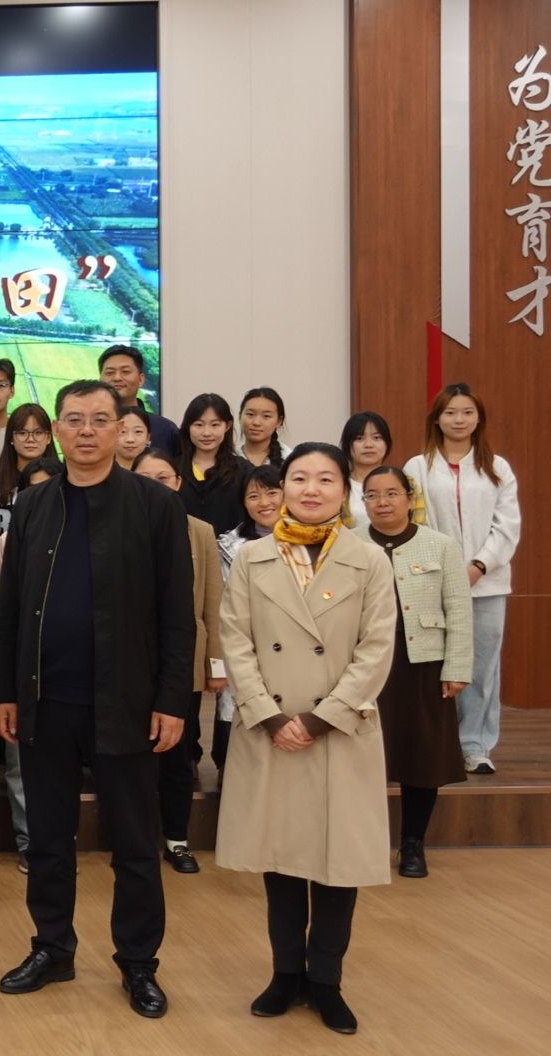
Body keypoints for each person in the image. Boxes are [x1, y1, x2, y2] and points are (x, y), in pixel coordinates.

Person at [0, 380, 193, 1020]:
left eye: (99, 420)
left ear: (121, 429)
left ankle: (138, 963)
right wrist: (5, 691)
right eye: (73, 420)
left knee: (134, 843)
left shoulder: (155, 505)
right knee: (49, 840)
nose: (86, 431)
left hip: (127, 703)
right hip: (46, 702)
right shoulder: (33, 505)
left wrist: (172, 700)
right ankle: (52, 948)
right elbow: (10, 609)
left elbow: (177, 613)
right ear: (56, 430)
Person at [217, 442, 396, 1036]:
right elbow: (235, 640)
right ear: (283, 488)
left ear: (345, 490)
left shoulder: (368, 559)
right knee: (282, 859)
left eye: (325, 479)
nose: (311, 489)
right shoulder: (253, 557)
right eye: (299, 478)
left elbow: (377, 649)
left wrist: (320, 719)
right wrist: (269, 716)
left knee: (339, 864)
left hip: (340, 731)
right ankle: (285, 974)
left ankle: (327, 982)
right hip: (272, 729)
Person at [360, 466, 472, 878]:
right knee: (363, 756)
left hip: (422, 664)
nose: (383, 502)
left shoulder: (441, 546)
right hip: (366, 665)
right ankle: (366, 843)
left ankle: (412, 844)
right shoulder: (349, 544)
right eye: (373, 495)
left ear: (409, 498)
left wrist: (456, 667)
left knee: (422, 757)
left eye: (392, 493)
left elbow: (458, 610)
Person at [403, 382, 519, 775]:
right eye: (450, 412)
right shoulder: (417, 467)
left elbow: (507, 527)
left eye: (467, 412)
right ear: (437, 418)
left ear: (479, 418)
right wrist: (446, 570)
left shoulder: (497, 467)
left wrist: (479, 566)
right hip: (433, 582)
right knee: (435, 664)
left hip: (487, 584)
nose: (459, 419)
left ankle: (475, 745)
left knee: (482, 666)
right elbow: (415, 523)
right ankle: (439, 743)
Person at [129, 449, 226, 874]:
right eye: (144, 477)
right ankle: (134, 840)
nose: (154, 485)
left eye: (163, 478)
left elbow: (213, 603)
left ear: (178, 483)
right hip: (129, 663)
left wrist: (215, 665)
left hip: (182, 662)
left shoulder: (199, 531)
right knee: (132, 759)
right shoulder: (116, 524)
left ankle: (177, 839)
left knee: (178, 757)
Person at [0, 454, 66, 873]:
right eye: (31, 491)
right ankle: (29, 841)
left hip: (71, 666)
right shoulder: (8, 541)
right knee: (21, 762)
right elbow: (1, 606)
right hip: (23, 662)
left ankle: (63, 840)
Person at [213, 465, 285, 772]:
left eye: (272, 493)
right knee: (238, 747)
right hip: (245, 651)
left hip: (294, 655)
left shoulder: (312, 541)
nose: (264, 502)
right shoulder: (228, 547)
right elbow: (221, 608)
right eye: (253, 496)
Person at [176, 393, 250, 535]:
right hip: (182, 546)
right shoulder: (173, 469)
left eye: (215, 425)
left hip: (229, 548)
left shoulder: (243, 471)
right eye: (198, 425)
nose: (206, 433)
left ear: (227, 426)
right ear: (188, 426)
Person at [341, 410, 423, 527]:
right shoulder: (340, 485)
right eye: (359, 438)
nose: (368, 445)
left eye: (376, 437)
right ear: (347, 444)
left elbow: (420, 525)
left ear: (387, 443)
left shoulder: (408, 483)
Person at [98, 344, 178, 454]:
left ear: (141, 380)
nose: (117, 378)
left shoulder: (164, 429)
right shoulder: (89, 428)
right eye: (110, 373)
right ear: (100, 380)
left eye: (125, 371)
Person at [0, 403, 56, 521]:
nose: (30, 439)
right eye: (22, 433)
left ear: (49, 438)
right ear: (11, 438)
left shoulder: (63, 480)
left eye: (38, 433)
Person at [238, 387, 288, 468]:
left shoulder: (290, 459)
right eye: (250, 414)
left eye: (266, 416)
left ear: (279, 421)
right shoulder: (227, 458)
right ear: (240, 416)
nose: (256, 422)